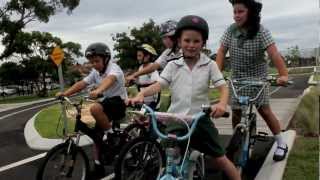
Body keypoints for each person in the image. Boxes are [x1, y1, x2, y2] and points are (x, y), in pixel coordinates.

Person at [129, 15, 241, 180]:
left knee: (220, 158)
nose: (191, 45)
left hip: (200, 119)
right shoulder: (173, 65)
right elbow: (159, 85)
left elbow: (223, 87)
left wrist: (222, 104)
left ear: (203, 43)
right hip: (177, 119)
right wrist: (141, 94)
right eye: (187, 40)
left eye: (196, 41)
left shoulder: (210, 65)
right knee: (170, 159)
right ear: (179, 41)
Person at [215, 0, 289, 161]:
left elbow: (274, 54)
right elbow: (221, 52)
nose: (236, 16)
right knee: (235, 111)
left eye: (240, 12)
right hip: (237, 79)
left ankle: (281, 142)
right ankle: (238, 139)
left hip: (258, 79)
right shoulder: (231, 30)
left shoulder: (261, 31)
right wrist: (216, 74)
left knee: (264, 110)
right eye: (234, 12)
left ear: (250, 12)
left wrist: (283, 74)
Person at [56, 42, 127, 178]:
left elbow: (110, 80)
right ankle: (98, 166)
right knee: (96, 137)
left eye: (97, 61)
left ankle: (111, 135)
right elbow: (82, 83)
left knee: (94, 108)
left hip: (119, 102)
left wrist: (99, 90)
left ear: (106, 59)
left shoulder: (114, 68)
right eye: (91, 62)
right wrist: (66, 93)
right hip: (107, 102)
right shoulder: (95, 72)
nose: (94, 64)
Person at [132, 43, 160, 110]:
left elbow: (156, 83)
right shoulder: (141, 68)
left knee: (148, 119)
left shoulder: (152, 67)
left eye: (140, 56)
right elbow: (140, 82)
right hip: (143, 101)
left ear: (147, 56)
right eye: (137, 56)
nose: (138, 58)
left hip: (152, 103)